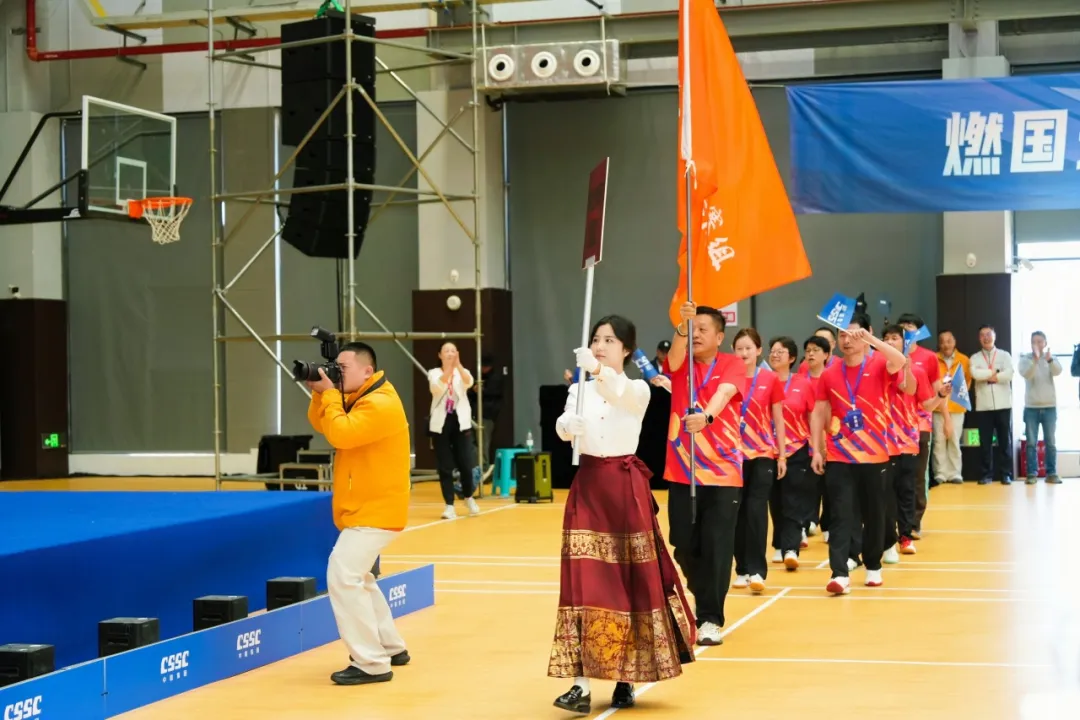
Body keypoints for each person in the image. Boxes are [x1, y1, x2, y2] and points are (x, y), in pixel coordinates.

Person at [548, 315, 695, 715]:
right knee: (582, 584)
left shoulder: (638, 389)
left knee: (628, 584)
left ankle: (626, 676)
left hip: (624, 490)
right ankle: (580, 684)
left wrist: (597, 371)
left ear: (627, 349)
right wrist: (567, 424)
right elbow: (564, 426)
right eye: (596, 339)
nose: (600, 346)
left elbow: (618, 393)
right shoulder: (578, 389)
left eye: (609, 340)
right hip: (588, 488)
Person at [305, 342, 411, 685]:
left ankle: (371, 663)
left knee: (342, 575)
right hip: (367, 508)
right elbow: (322, 424)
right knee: (360, 577)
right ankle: (391, 646)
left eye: (343, 369)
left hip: (376, 511)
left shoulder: (381, 403)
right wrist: (320, 394)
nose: (337, 374)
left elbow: (342, 434)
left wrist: (330, 394)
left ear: (368, 371)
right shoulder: (360, 397)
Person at [662, 302, 744, 646]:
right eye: (693, 330)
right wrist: (683, 324)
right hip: (682, 470)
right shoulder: (682, 365)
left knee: (717, 545)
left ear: (720, 337)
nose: (696, 335)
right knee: (683, 544)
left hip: (723, 472)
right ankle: (703, 593)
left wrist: (706, 417)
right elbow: (674, 358)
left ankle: (710, 617)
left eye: (702, 329)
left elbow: (725, 393)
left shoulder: (732, 363)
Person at [810, 313, 907, 595]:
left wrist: (872, 339)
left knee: (874, 514)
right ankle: (839, 573)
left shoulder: (878, 365)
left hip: (875, 457)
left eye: (853, 335)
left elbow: (900, 360)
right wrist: (816, 449)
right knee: (841, 514)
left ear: (865, 337)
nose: (847, 340)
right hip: (840, 456)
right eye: (842, 335)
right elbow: (819, 411)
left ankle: (873, 565)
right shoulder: (830, 373)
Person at [731, 328, 786, 594]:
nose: (743, 353)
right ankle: (741, 569)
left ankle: (757, 571)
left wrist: (782, 454)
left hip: (762, 453)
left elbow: (778, 418)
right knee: (736, 512)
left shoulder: (770, 378)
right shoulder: (727, 378)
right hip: (732, 455)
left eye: (748, 348)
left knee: (756, 510)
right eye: (739, 348)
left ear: (758, 351)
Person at [881, 325, 933, 560]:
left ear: (904, 343)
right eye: (886, 338)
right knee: (885, 491)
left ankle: (905, 535)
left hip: (907, 439)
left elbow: (924, 403)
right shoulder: (876, 368)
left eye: (895, 338)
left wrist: (941, 396)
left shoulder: (917, 371)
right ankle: (887, 538)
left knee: (907, 489)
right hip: (881, 441)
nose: (890, 342)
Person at [768, 336, 817, 570]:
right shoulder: (763, 381)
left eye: (781, 351)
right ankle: (779, 543)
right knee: (774, 499)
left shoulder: (803, 383)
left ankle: (790, 547)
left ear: (792, 358)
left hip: (796, 449)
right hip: (768, 449)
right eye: (772, 351)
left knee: (792, 498)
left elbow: (812, 415)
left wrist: (816, 447)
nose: (775, 355)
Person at [896, 314, 947, 528]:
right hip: (893, 425)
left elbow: (938, 390)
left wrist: (946, 419)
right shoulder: (890, 357)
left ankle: (914, 522)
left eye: (910, 326)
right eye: (902, 326)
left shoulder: (929, 357)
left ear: (918, 331)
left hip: (920, 423)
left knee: (917, 475)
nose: (906, 329)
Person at [427, 342, 480, 519]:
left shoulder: (461, 372)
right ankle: (449, 505)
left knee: (465, 463)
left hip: (460, 420)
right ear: (440, 355)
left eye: (452, 351)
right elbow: (436, 387)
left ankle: (468, 497)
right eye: (446, 351)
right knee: (445, 466)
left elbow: (469, 382)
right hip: (441, 422)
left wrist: (458, 366)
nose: (449, 353)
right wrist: (448, 370)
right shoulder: (434, 373)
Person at [969, 325, 1014, 485]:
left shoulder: (1004, 355)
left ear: (994, 336)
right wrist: (995, 372)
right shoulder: (975, 357)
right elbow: (975, 374)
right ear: (979, 338)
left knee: (1005, 441)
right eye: (982, 335)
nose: (986, 337)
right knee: (985, 443)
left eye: (988, 334)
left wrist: (992, 376)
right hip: (983, 406)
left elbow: (1009, 374)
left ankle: (1006, 474)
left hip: (1003, 405)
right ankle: (986, 474)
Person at [1017, 331, 1063, 484]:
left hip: (1049, 407)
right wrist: (1035, 361)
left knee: (1050, 442)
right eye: (1034, 342)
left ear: (1045, 343)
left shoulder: (1051, 357)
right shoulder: (1025, 359)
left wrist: (1050, 361)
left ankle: (1052, 473)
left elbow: (1058, 371)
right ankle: (1031, 474)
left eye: (1039, 341)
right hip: (1031, 407)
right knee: (1031, 443)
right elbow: (1027, 374)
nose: (1036, 344)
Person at [802, 334, 833, 539]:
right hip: (805, 437)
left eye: (816, 350)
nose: (811, 354)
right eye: (808, 351)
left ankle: (828, 524)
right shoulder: (800, 381)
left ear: (827, 355)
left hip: (831, 438)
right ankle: (807, 521)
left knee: (830, 484)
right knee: (808, 484)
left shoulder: (832, 379)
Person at [934, 330, 970, 487]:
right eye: (942, 341)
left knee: (954, 440)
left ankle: (955, 472)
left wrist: (959, 397)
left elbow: (968, 381)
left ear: (954, 342)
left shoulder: (964, 360)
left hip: (956, 406)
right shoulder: (933, 358)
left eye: (948, 341)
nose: (945, 344)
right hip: (937, 407)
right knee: (939, 441)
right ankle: (940, 473)